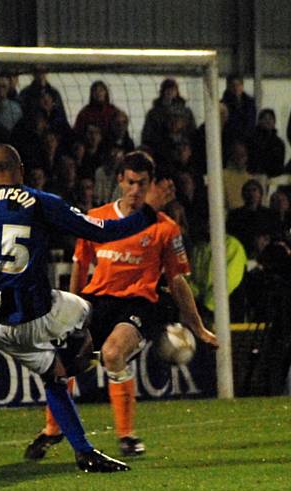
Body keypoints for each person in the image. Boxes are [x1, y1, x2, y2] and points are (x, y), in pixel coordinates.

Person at [0, 144, 171, 472]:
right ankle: (101, 354)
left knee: (54, 377)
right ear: (21, 170)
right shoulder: (38, 200)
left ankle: (84, 451)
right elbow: (102, 232)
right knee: (92, 313)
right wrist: (148, 212)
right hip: (33, 312)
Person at [23, 151, 218, 461]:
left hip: (139, 304)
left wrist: (198, 327)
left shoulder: (165, 228)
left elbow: (178, 281)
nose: (136, 190)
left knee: (112, 354)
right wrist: (70, 312)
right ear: (119, 181)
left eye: (142, 183)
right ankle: (53, 429)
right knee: (64, 359)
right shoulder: (97, 218)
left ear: (151, 184)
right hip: (98, 301)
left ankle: (126, 436)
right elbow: (80, 265)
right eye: (130, 182)